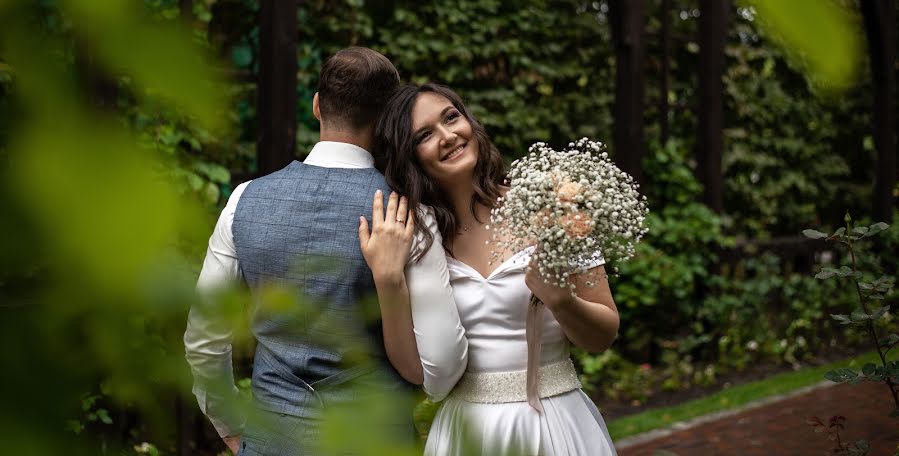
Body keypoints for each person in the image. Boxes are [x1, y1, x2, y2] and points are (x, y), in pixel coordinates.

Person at [184, 51, 467, 456]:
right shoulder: (406, 212)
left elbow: (203, 340)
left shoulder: (244, 200)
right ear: (389, 118)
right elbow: (442, 365)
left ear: (317, 105)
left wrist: (231, 427)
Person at [363, 83, 619, 456]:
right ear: (410, 157)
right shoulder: (418, 238)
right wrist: (387, 280)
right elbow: (416, 372)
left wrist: (563, 302)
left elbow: (604, 335)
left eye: (451, 118)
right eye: (425, 135)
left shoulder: (550, 205)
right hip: (466, 434)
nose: (448, 136)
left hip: (555, 424)